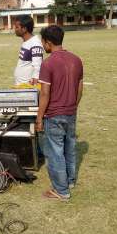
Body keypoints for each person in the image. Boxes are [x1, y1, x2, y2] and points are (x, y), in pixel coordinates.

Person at [36, 25, 83, 201]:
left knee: (55, 152)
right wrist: (73, 106)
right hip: (71, 112)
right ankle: (70, 181)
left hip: (54, 114)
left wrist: (39, 117)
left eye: (43, 42)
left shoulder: (47, 64)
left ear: (48, 42)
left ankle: (61, 190)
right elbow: (80, 88)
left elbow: (45, 94)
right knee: (69, 148)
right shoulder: (76, 60)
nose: (42, 46)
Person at [13, 15, 44, 85]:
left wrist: (34, 87)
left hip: (27, 88)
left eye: (17, 27)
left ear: (24, 29)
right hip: (21, 86)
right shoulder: (27, 41)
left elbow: (37, 67)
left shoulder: (35, 43)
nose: (15, 29)